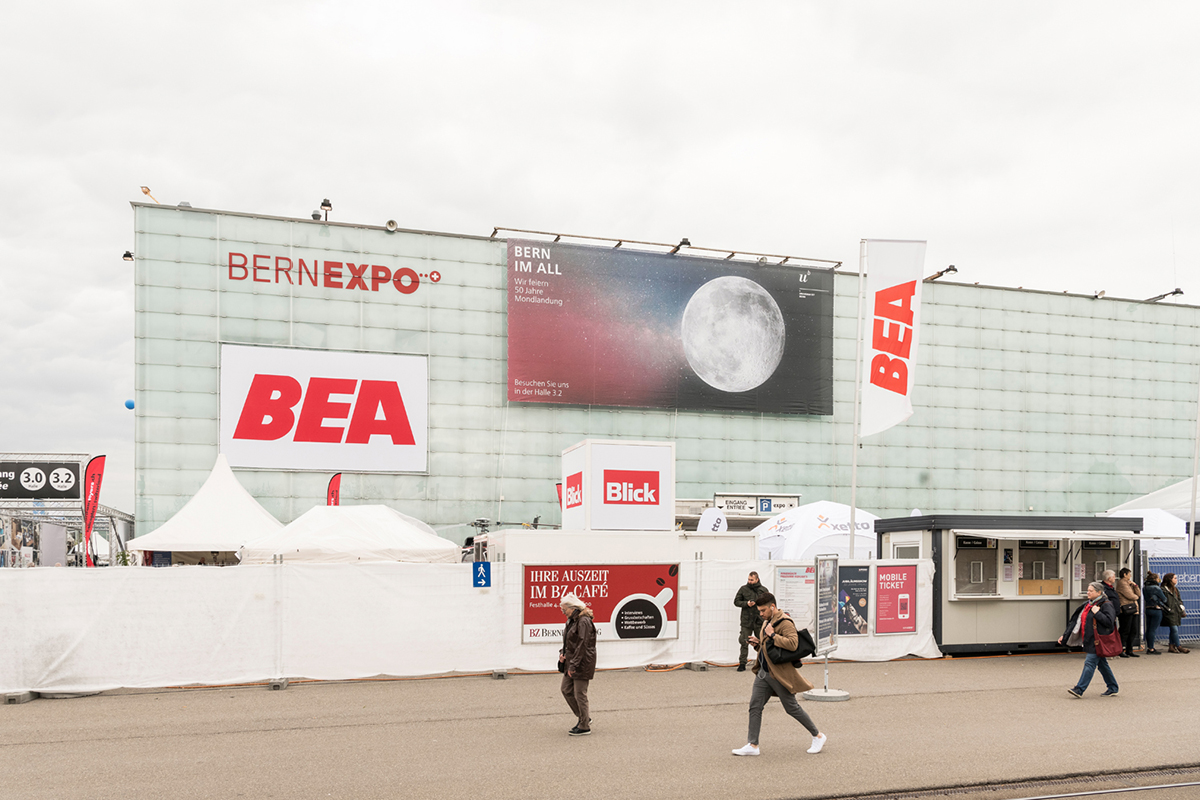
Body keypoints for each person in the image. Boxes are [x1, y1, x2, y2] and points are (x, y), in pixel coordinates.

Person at [731, 592, 826, 757]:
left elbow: (793, 644)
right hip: (763, 673)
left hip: (778, 675)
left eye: (763, 610)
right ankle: (753, 745)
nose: (760, 614)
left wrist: (773, 635)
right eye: (759, 611)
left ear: (772, 607)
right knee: (755, 706)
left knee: (792, 708)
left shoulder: (785, 622)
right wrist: (757, 644)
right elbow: (768, 647)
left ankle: (817, 735)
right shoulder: (767, 621)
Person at [1058, 581, 1119, 698]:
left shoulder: (1106, 604)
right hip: (1090, 639)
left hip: (1098, 640)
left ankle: (1079, 689)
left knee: (1089, 663)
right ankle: (1113, 687)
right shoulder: (1088, 604)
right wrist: (1065, 636)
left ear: (1099, 592)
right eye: (1088, 590)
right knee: (1102, 665)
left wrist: (1097, 613)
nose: (1088, 593)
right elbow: (1076, 623)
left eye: (1091, 591)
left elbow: (1109, 622)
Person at [558, 593, 597, 735]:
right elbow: (570, 641)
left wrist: (573, 664)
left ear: (573, 608)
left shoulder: (584, 621)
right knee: (566, 690)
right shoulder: (571, 620)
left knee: (580, 693)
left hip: (582, 663)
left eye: (564, 609)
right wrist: (563, 653)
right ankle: (583, 717)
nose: (563, 612)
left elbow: (583, 644)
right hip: (572, 661)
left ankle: (584, 725)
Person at [733, 571, 770, 672]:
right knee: (744, 642)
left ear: (757, 579)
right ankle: (742, 663)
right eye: (749, 579)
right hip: (746, 621)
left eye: (752, 580)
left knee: (762, 642)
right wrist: (746, 603)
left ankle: (764, 663)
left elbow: (768, 603)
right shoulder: (743, 589)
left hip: (759, 621)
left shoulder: (763, 590)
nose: (749, 581)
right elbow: (736, 601)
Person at [1161, 573, 1191, 654]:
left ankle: (1171, 646)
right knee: (1174, 629)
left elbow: (1179, 600)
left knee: (1173, 629)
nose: (1176, 579)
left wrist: (1181, 607)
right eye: (1174, 578)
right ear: (1170, 580)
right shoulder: (1163, 589)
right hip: (1168, 612)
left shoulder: (1175, 589)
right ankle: (1179, 646)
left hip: (1176, 612)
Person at [1115, 567, 1141, 658]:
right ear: (1125, 574)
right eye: (1129, 574)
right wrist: (1135, 596)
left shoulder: (1129, 583)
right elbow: (1132, 596)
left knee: (1133, 630)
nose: (1130, 576)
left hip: (1133, 609)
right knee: (1125, 630)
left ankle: (1130, 649)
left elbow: (1139, 594)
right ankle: (1120, 649)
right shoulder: (1122, 583)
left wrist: (1135, 585)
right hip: (1126, 609)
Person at [1143, 572, 1168, 655]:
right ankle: (1151, 648)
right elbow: (1164, 599)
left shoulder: (1145, 588)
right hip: (1156, 609)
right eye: (1158, 578)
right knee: (1153, 629)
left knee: (1149, 629)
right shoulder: (1156, 588)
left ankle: (1148, 646)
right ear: (1155, 579)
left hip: (1148, 609)